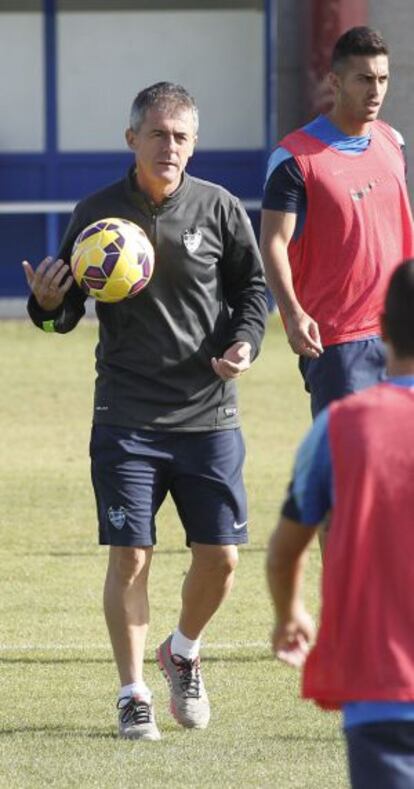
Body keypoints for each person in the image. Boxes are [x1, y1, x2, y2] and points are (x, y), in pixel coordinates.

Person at [23, 82, 268, 742]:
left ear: (195, 143)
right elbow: (63, 317)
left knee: (222, 558)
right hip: (126, 415)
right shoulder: (97, 213)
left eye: (182, 136)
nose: (170, 147)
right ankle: (133, 692)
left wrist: (246, 339)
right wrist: (46, 305)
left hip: (209, 415)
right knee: (131, 555)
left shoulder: (218, 208)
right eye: (158, 134)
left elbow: (253, 289)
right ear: (132, 139)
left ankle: (182, 650)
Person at [266, 259, 414, 788]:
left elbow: (286, 550)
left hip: (381, 691)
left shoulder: (342, 426)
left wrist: (290, 614)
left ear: (384, 328)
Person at [260, 26, 414, 418]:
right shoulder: (295, 158)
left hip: (402, 330)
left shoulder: (393, 141)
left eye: (382, 79)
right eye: (363, 79)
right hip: (340, 341)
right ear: (335, 81)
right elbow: (274, 242)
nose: (375, 90)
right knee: (350, 468)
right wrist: (292, 314)